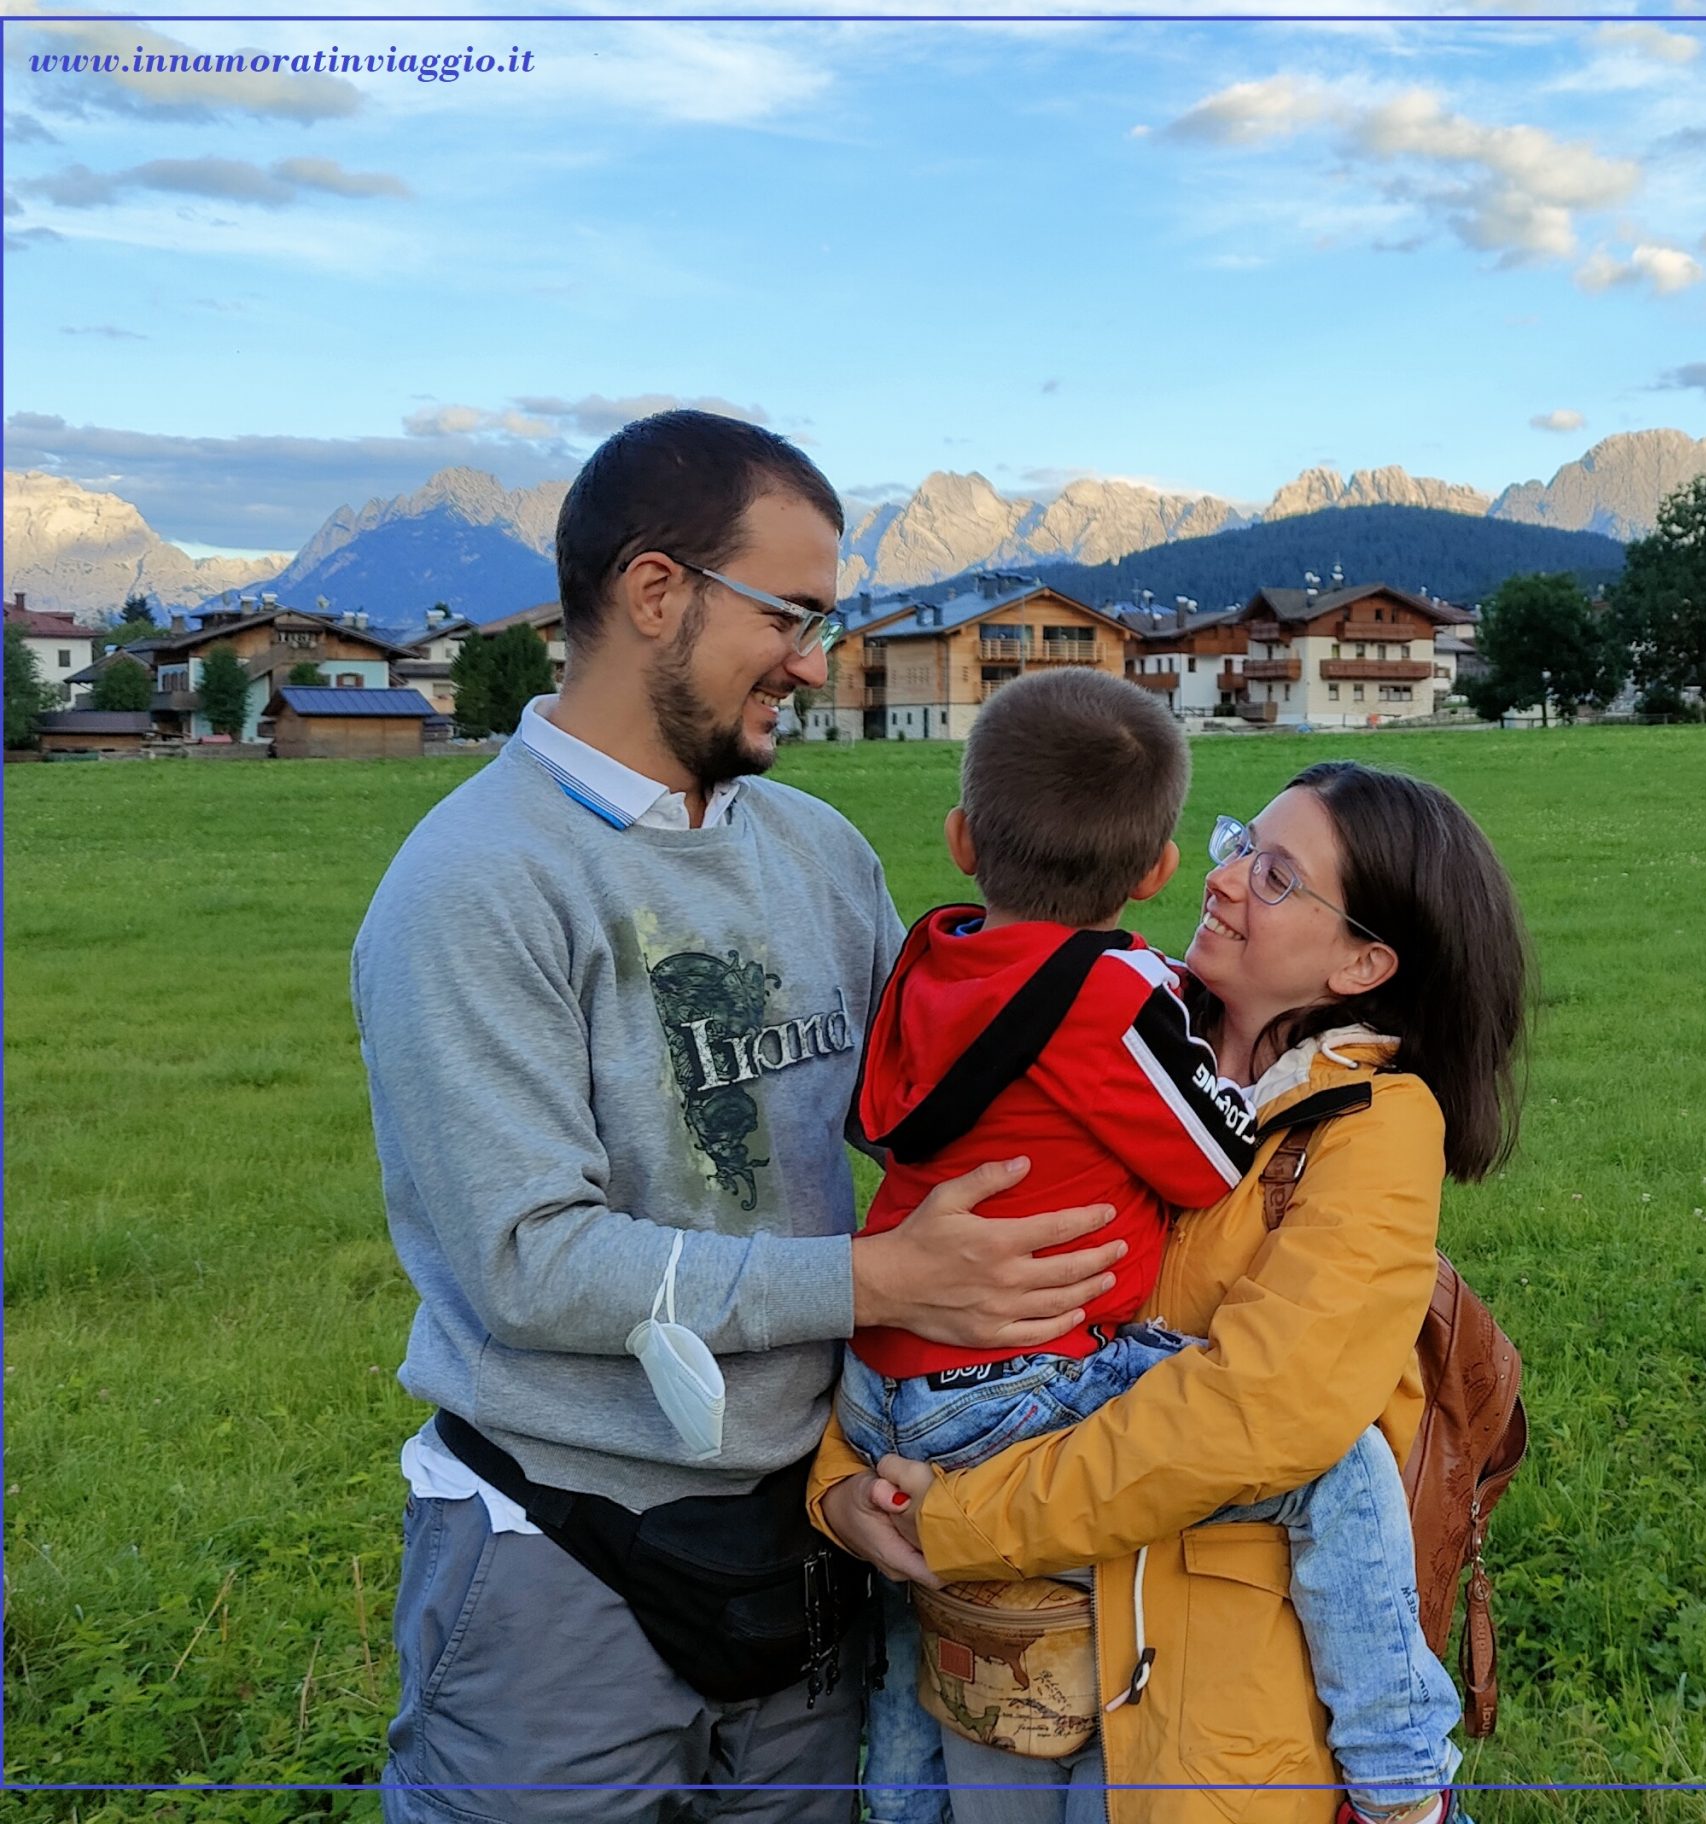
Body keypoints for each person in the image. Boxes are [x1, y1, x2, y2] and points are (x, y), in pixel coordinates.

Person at [353, 409, 1128, 1822]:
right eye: (789, 616)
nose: (814, 664)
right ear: (656, 591)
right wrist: (875, 1282)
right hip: (560, 1558)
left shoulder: (819, 853)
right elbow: (528, 1262)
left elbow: (945, 1113)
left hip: (817, 1532)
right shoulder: (476, 883)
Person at [812, 760, 1532, 1824]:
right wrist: (840, 1483)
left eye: (1277, 877)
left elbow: (1260, 1416)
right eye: (1241, 844)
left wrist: (952, 1520)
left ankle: (1405, 1787)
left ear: (1362, 962)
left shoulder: (1375, 1129)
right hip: (1004, 1672)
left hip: (1196, 1725)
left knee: (1338, 1464)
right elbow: (922, 1269)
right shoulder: (1092, 1030)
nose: (1224, 877)